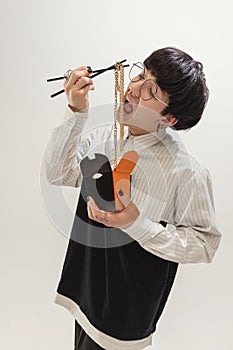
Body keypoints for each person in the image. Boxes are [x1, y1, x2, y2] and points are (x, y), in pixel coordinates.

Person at [45, 47, 222, 349]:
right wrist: (76, 111)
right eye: (140, 75)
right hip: (85, 286)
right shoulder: (105, 139)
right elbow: (58, 173)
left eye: (150, 92)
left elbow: (205, 245)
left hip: (126, 308)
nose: (133, 88)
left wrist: (137, 224)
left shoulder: (185, 170)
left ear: (169, 119)